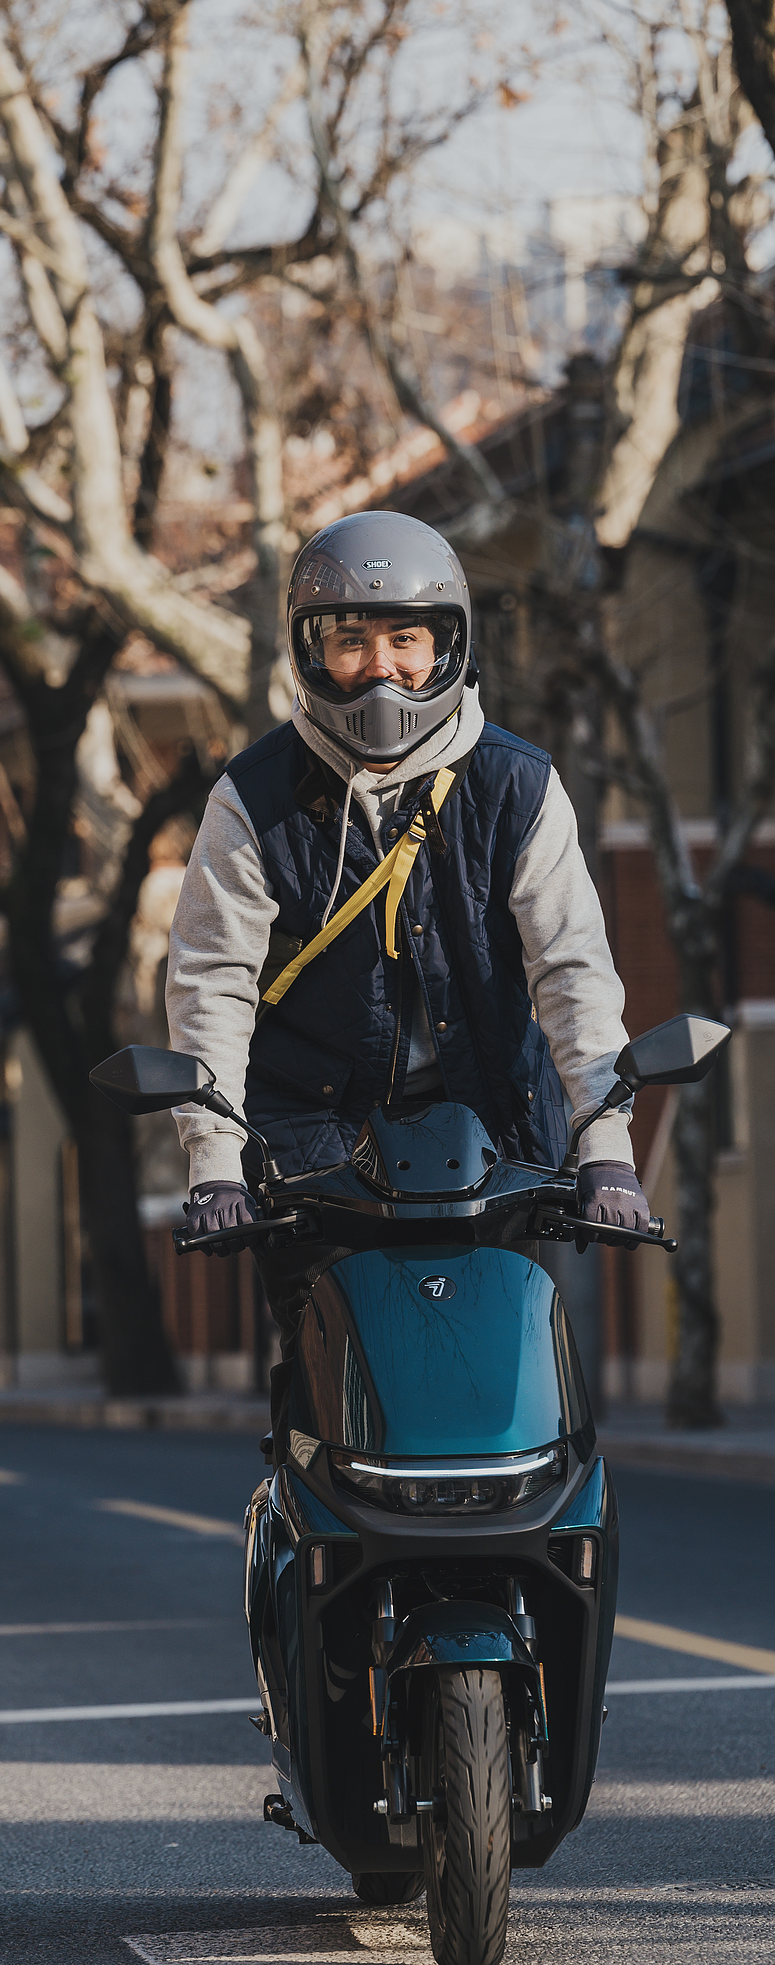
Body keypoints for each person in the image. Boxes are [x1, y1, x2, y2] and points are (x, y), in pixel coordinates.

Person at [165, 510, 649, 1425]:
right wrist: (214, 1160)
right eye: (349, 639)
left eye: (406, 638)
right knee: (329, 1390)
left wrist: (608, 1145)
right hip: (314, 1145)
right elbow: (211, 984)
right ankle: (301, 1548)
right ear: (309, 651)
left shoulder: (521, 784)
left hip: (494, 1143)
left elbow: (573, 972)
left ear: (448, 645)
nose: (380, 667)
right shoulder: (251, 798)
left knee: (517, 1392)